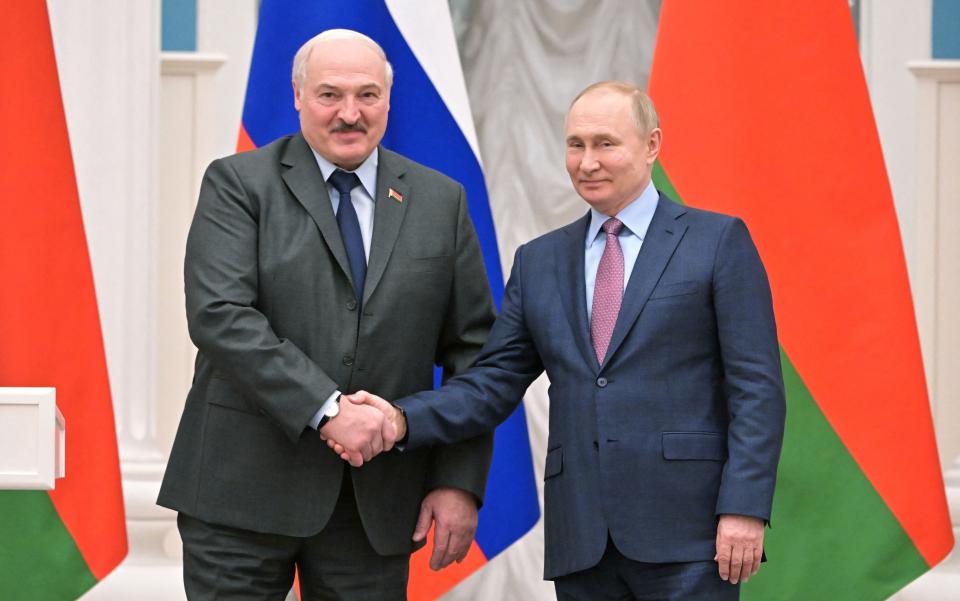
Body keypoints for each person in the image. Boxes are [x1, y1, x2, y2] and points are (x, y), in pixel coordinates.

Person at [335, 81, 787, 600]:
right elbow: (490, 384)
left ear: (652, 145)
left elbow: (757, 390)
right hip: (582, 540)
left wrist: (745, 508)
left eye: (605, 143)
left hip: (690, 537)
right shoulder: (540, 260)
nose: (587, 162)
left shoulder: (717, 242)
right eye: (576, 145)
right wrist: (400, 419)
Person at [157, 29, 496, 601]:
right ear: (296, 96)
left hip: (374, 506)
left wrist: (458, 481)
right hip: (240, 494)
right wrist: (327, 410)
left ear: (389, 100)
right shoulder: (238, 184)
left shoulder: (442, 201)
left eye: (367, 95)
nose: (349, 114)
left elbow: (475, 353)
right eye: (329, 95)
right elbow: (220, 314)